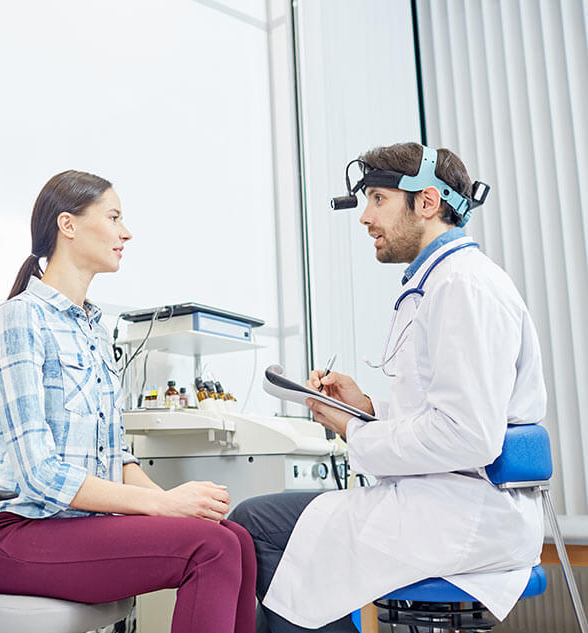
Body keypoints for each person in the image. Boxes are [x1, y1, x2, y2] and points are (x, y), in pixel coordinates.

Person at [229, 143, 546, 632]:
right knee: (274, 529)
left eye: (378, 198)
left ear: (427, 203)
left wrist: (355, 432)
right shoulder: (438, 283)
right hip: (444, 500)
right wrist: (366, 409)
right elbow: (442, 417)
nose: (365, 217)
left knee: (258, 524)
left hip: (464, 514)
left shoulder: (463, 286)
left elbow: (468, 437)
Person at [0, 169, 257, 633]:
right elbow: (41, 474)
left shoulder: (93, 330)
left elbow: (116, 457)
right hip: (2, 534)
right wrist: (162, 508)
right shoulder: (20, 319)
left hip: (64, 529)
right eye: (113, 217)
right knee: (210, 548)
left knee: (233, 538)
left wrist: (172, 501)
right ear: (68, 225)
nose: (125, 232)